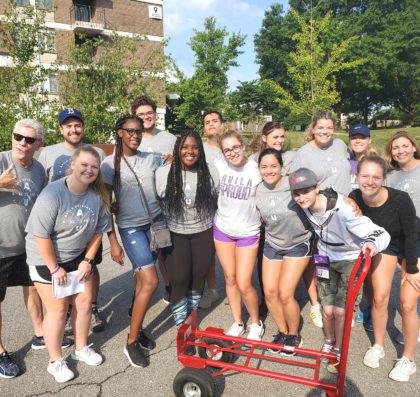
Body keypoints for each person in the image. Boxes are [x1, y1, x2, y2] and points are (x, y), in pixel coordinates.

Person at [289, 167, 390, 373]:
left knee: (341, 312)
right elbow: (327, 191)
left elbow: (381, 233)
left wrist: (372, 244)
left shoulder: (344, 210)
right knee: (327, 309)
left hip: (349, 259)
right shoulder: (307, 203)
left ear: (316, 188)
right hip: (325, 258)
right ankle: (329, 340)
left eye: (306, 191)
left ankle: (338, 349)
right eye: (296, 193)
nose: (301, 198)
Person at [25, 145, 111, 383]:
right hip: (46, 258)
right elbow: (40, 235)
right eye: (84, 165)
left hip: (77, 258)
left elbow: (98, 232)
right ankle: (55, 361)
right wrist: (54, 268)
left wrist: (87, 260)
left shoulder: (97, 196)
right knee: (58, 309)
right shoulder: (53, 194)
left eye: (94, 167)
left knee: (84, 305)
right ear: (73, 165)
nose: (89, 170)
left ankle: (81, 348)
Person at [351, 155, 419, 382]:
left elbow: (411, 236)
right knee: (380, 297)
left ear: (384, 178)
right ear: (357, 176)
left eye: (375, 177)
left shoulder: (400, 199)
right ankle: (378, 345)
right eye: (365, 176)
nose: (369, 181)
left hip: (412, 243)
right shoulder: (354, 197)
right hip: (386, 245)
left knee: (407, 303)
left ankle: (408, 359)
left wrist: (410, 270)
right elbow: (331, 199)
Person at [38, 108, 106, 333]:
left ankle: (92, 306)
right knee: (62, 267)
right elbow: (42, 188)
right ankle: (66, 311)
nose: (74, 129)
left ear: (83, 127)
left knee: (91, 265)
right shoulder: (48, 153)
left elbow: (101, 186)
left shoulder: (95, 151)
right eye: (68, 126)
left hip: (88, 220)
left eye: (77, 125)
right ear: (61, 129)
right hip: (59, 225)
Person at [101, 114, 161, 368]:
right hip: (131, 228)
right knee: (150, 281)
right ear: (120, 132)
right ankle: (131, 340)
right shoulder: (108, 164)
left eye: (139, 131)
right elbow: (105, 206)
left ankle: (138, 322)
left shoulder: (152, 159)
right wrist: (113, 241)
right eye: (130, 131)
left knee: (141, 280)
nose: (136, 135)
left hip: (156, 226)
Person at [0, 119, 52, 378]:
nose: (22, 142)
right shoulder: (1, 160)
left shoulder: (39, 169)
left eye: (29, 139)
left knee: (32, 289)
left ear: (38, 144)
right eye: (18, 136)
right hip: (0, 247)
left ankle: (40, 334)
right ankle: (0, 353)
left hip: (27, 245)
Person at [291, 111, 352, 328]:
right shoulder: (305, 153)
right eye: (320, 128)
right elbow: (297, 183)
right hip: (320, 215)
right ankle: (319, 304)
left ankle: (341, 303)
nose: (325, 131)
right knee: (320, 261)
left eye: (328, 127)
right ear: (313, 129)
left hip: (344, 212)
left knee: (344, 259)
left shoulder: (340, 146)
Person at [155, 130, 219, 327]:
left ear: (200, 150)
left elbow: (216, 201)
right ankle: (181, 324)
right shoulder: (163, 173)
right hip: (175, 233)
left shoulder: (210, 172)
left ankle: (190, 322)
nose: (190, 151)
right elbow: (157, 203)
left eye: (194, 147)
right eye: (185, 147)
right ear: (177, 149)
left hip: (203, 232)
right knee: (180, 279)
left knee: (198, 277)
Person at [256, 149, 313, 353]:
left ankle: (294, 334)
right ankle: (282, 331)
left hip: (298, 243)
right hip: (273, 243)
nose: (269, 170)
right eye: (264, 167)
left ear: (281, 167)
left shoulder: (292, 185)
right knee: (270, 292)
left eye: (273, 166)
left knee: (285, 293)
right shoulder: (257, 190)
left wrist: (347, 201)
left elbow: (317, 193)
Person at [213, 130, 264, 340]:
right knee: (230, 278)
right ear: (222, 153)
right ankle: (237, 321)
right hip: (223, 229)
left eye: (235, 147)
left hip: (248, 232)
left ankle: (255, 322)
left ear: (242, 146)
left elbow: (277, 178)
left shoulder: (256, 170)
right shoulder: (219, 165)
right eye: (227, 150)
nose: (232, 152)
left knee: (244, 282)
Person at [131, 96, 176, 304]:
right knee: (141, 256)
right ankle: (138, 295)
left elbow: (181, 164)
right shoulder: (132, 138)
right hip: (139, 206)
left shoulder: (169, 138)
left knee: (165, 249)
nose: (146, 117)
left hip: (164, 205)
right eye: (141, 114)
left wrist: (174, 161)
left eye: (149, 113)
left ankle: (169, 287)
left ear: (155, 115)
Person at [384, 131, 420, 346]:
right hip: (401, 237)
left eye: (405, 146)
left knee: (412, 282)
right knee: (409, 283)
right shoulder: (391, 176)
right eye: (396, 147)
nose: (400, 151)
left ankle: (414, 324)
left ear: (414, 147)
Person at [199, 110, 224, 310]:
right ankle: (212, 290)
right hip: (207, 207)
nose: (211, 124)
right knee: (207, 253)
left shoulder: (229, 146)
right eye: (207, 122)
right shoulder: (200, 149)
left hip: (229, 207)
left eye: (215, 121)